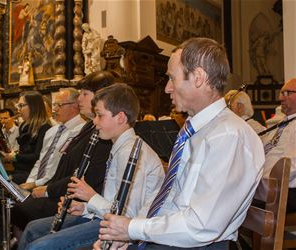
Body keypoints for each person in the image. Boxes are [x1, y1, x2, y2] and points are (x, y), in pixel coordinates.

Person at [93, 37, 265, 250]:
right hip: (171, 238)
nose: (166, 88)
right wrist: (129, 233)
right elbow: (167, 198)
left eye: (172, 79)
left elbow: (201, 226)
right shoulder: (193, 129)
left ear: (198, 77)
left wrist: (133, 229)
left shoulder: (228, 136)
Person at [18, 83, 165, 250]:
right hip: (106, 219)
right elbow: (113, 201)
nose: (94, 122)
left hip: (123, 231)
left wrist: (91, 197)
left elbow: (126, 216)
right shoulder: (119, 146)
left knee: (39, 246)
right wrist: (85, 208)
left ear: (121, 118)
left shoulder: (129, 152)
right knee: (32, 230)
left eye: (99, 115)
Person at [10, 71, 114, 237]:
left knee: (22, 213)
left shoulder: (103, 132)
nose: (79, 99)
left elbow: (86, 176)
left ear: (103, 96)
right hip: (64, 192)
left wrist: (48, 190)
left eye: (84, 94)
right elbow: (61, 163)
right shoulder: (88, 127)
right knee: (18, 207)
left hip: (76, 200)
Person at [0, 90, 51, 240]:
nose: (18, 109)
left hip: (29, 175)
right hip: (18, 171)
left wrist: (14, 157)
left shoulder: (44, 128)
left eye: (21, 105)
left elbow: (38, 157)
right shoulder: (25, 127)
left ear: (33, 107)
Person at [261, 78, 296, 213]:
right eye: (281, 93)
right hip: (268, 187)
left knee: (235, 201)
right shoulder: (282, 123)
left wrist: (267, 184)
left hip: (286, 190)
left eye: (287, 93)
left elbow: (292, 165)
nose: (280, 97)